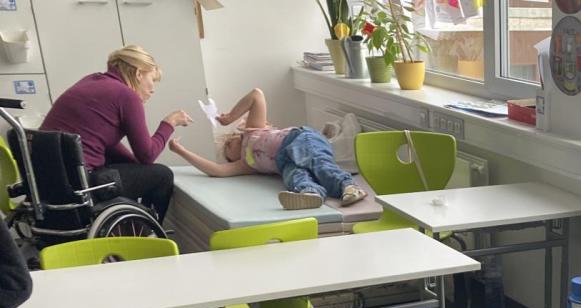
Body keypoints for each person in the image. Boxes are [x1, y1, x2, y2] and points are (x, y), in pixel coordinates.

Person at [40, 45, 191, 222]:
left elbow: (104, 140)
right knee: (162, 175)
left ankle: (136, 224)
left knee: (139, 170)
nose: (153, 89)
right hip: (81, 185)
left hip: (49, 178)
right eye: (152, 80)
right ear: (139, 73)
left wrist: (138, 168)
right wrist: (169, 123)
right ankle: (149, 228)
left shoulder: (90, 81)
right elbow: (148, 154)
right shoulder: (126, 95)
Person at [168, 87, 368, 210]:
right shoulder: (247, 165)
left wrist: (230, 117)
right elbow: (216, 170)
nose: (228, 151)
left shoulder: (252, 130)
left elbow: (256, 95)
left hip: (298, 139)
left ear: (237, 135)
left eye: (228, 143)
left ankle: (348, 187)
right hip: (285, 163)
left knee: (319, 164)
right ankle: (311, 194)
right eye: (227, 156)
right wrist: (181, 151)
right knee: (294, 178)